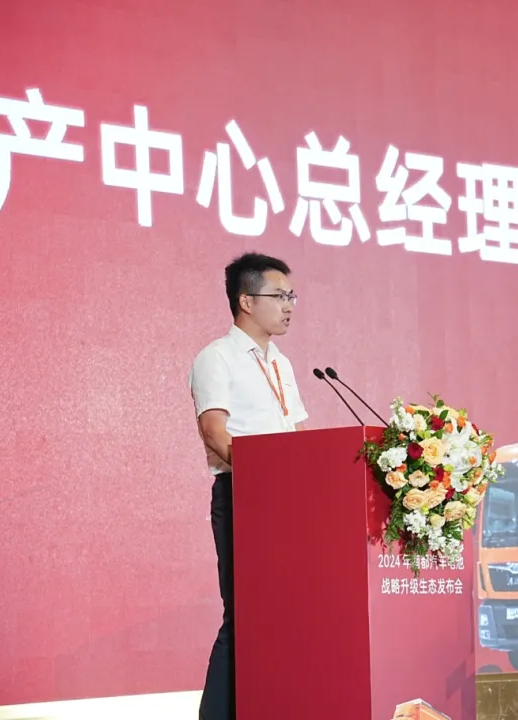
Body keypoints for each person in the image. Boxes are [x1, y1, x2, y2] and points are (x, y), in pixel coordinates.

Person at [188, 252, 308, 720]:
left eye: (291, 296)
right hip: (244, 497)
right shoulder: (216, 357)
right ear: (246, 301)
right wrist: (266, 476)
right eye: (279, 296)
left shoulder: (282, 364)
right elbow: (214, 433)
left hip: (289, 502)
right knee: (243, 616)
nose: (289, 305)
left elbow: (299, 438)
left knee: (286, 614)